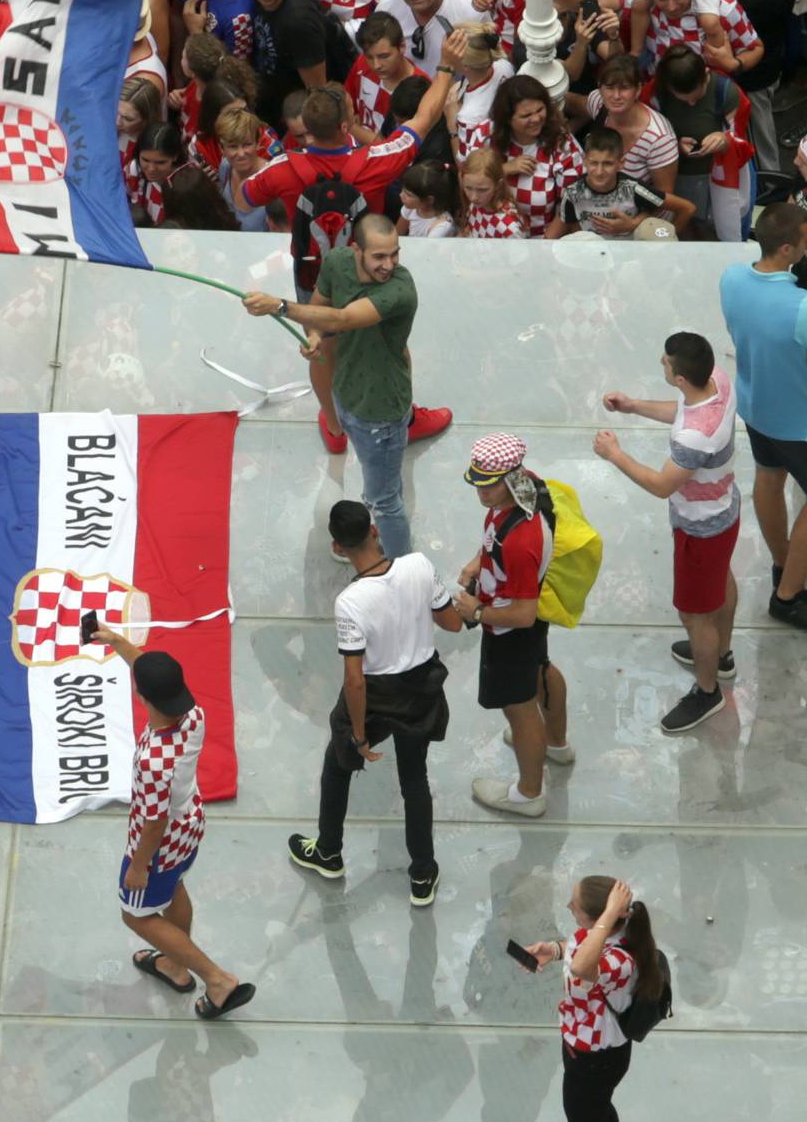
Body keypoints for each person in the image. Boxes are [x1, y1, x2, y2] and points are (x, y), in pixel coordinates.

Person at [288, 498, 463, 906]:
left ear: (337, 548)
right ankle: (422, 874)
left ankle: (329, 852)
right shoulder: (419, 566)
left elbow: (355, 679)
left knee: (337, 765)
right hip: (422, 688)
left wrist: (360, 735)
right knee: (414, 781)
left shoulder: (350, 602)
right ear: (375, 530)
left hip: (378, 693)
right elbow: (453, 622)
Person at [243, 212, 443, 557]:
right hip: (346, 392)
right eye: (379, 256)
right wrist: (316, 337)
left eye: (394, 253)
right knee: (383, 482)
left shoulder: (399, 289)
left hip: (380, 410)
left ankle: (399, 568)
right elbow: (320, 309)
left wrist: (278, 306)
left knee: (384, 502)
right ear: (356, 250)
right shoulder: (337, 262)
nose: (389, 264)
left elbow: (344, 317)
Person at [94, 624, 252, 1019]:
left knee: (137, 914)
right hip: (190, 826)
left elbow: (153, 822)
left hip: (158, 843)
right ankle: (174, 965)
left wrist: (139, 866)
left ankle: (217, 981)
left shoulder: (153, 763)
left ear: (140, 696)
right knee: (173, 889)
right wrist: (117, 642)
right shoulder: (193, 716)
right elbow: (150, 677)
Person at [594, 331, 741, 734]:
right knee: (721, 580)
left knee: (694, 615)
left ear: (680, 378)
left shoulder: (695, 436)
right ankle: (721, 656)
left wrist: (615, 454)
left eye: (665, 363)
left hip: (700, 528)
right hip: (726, 508)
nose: (661, 363)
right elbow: (683, 410)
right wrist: (635, 406)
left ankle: (708, 690)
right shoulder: (718, 381)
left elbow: (662, 485)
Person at [525, 876, 667, 1122]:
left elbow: (586, 964)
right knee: (599, 1111)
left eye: (575, 905)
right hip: (587, 1050)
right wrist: (553, 951)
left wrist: (602, 918)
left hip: (595, 1059)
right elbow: (577, 949)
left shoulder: (615, 959)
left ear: (603, 918)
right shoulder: (604, 937)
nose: (569, 908)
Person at [451, 434, 573, 819]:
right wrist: (477, 561)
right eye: (478, 482)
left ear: (509, 477)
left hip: (509, 630)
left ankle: (528, 793)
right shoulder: (529, 487)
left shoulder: (520, 544)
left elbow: (521, 614)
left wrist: (476, 612)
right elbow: (495, 538)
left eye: (489, 484)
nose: (481, 493)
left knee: (519, 712)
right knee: (542, 668)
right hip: (532, 627)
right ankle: (556, 743)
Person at [717, 205, 807, 635]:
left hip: (755, 407)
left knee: (769, 480)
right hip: (799, 422)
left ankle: (782, 561)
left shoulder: (732, 279)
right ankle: (789, 595)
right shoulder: (800, 308)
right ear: (788, 248)